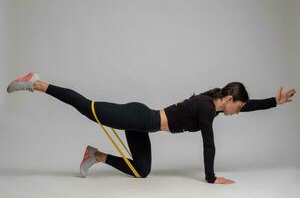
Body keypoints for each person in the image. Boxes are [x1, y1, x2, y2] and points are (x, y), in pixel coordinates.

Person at [6, 72, 296, 184]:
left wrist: (275, 102)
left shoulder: (213, 106)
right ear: (230, 99)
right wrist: (210, 178)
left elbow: (251, 105)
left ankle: (95, 155)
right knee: (88, 107)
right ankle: (38, 83)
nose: (239, 111)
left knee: (141, 170)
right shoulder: (208, 108)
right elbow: (209, 144)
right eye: (239, 107)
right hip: (139, 117)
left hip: (144, 125)